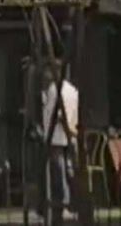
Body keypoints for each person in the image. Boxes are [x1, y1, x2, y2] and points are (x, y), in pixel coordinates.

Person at [40, 61, 78, 221]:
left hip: (56, 136)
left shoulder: (54, 89)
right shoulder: (72, 90)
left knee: (59, 172)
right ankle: (68, 204)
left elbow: (50, 113)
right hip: (69, 134)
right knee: (67, 171)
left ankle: (63, 203)